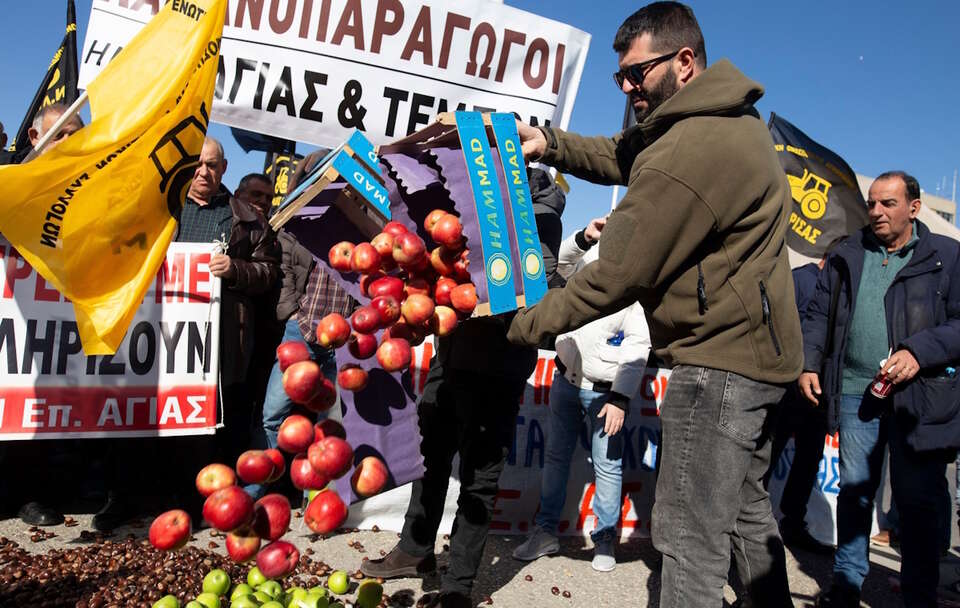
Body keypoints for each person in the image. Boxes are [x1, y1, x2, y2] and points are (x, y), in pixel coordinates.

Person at [506, 3, 803, 607]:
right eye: (621, 76)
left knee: (687, 539)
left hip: (719, 364)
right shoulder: (711, 121)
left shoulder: (693, 148)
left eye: (637, 74)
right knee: (747, 521)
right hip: (756, 360)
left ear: (685, 62)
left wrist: (520, 324)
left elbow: (614, 276)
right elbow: (623, 153)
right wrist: (551, 143)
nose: (626, 87)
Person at [360, 168, 565, 608]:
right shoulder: (467, 202)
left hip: (497, 368)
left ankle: (459, 584)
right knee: (429, 460)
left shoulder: (539, 214)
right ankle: (415, 550)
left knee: (480, 479)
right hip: (450, 358)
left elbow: (540, 284)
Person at [798, 171, 960, 608]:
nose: (876, 211)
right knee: (854, 492)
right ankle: (847, 584)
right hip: (855, 393)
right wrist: (809, 363)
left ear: (914, 207)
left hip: (920, 399)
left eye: (888, 203)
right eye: (872, 203)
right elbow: (817, 315)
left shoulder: (947, 255)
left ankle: (919, 595)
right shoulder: (848, 252)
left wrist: (918, 352)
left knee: (917, 501)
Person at [512, 214, 650, 571]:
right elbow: (562, 262)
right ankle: (545, 533)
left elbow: (638, 346)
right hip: (565, 384)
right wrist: (585, 236)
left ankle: (604, 540)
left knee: (607, 467)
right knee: (556, 459)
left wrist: (621, 397)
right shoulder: (589, 262)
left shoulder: (634, 285)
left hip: (605, 397)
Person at [237, 160, 355, 500]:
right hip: (299, 332)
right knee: (273, 413)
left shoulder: (365, 227)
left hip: (340, 341)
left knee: (330, 425)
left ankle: (318, 499)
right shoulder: (299, 225)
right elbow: (284, 275)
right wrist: (293, 318)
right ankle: (258, 486)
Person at [0, 104, 86, 526]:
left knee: (37, 409)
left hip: (53, 324)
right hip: (10, 313)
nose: (72, 142)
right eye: (63, 133)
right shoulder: (9, 182)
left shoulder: (92, 187)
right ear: (35, 139)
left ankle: (31, 496)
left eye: (78, 133)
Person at [763, 246, 843, 556]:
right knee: (768, 455)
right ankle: (748, 527)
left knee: (809, 459)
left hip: (820, 393)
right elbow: (779, 329)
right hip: (788, 389)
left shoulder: (838, 289)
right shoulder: (801, 279)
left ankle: (793, 524)